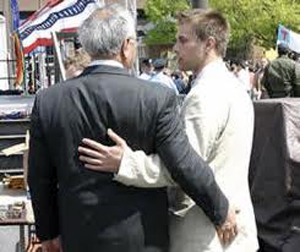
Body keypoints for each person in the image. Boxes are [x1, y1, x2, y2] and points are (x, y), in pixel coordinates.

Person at [28, 5, 236, 252]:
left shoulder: (50, 101)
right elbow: (184, 164)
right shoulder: (156, 98)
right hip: (142, 238)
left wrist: (48, 234)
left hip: (79, 236)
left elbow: (40, 178)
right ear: (126, 46)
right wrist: (221, 209)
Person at [78, 8, 259, 252]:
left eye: (183, 40)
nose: (175, 48)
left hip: (206, 236)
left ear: (209, 44)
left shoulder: (205, 95)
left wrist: (125, 163)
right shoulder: (233, 87)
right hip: (231, 232)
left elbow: (183, 167)